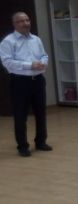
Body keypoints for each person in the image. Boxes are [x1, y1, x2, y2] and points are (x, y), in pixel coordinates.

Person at [0, 12, 52, 157]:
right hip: (20, 82)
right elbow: (8, 62)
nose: (26, 23)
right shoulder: (8, 42)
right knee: (20, 115)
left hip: (38, 80)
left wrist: (43, 63)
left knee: (40, 112)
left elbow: (44, 55)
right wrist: (30, 65)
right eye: (21, 21)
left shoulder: (36, 39)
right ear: (14, 24)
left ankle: (41, 141)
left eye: (27, 20)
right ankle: (22, 146)